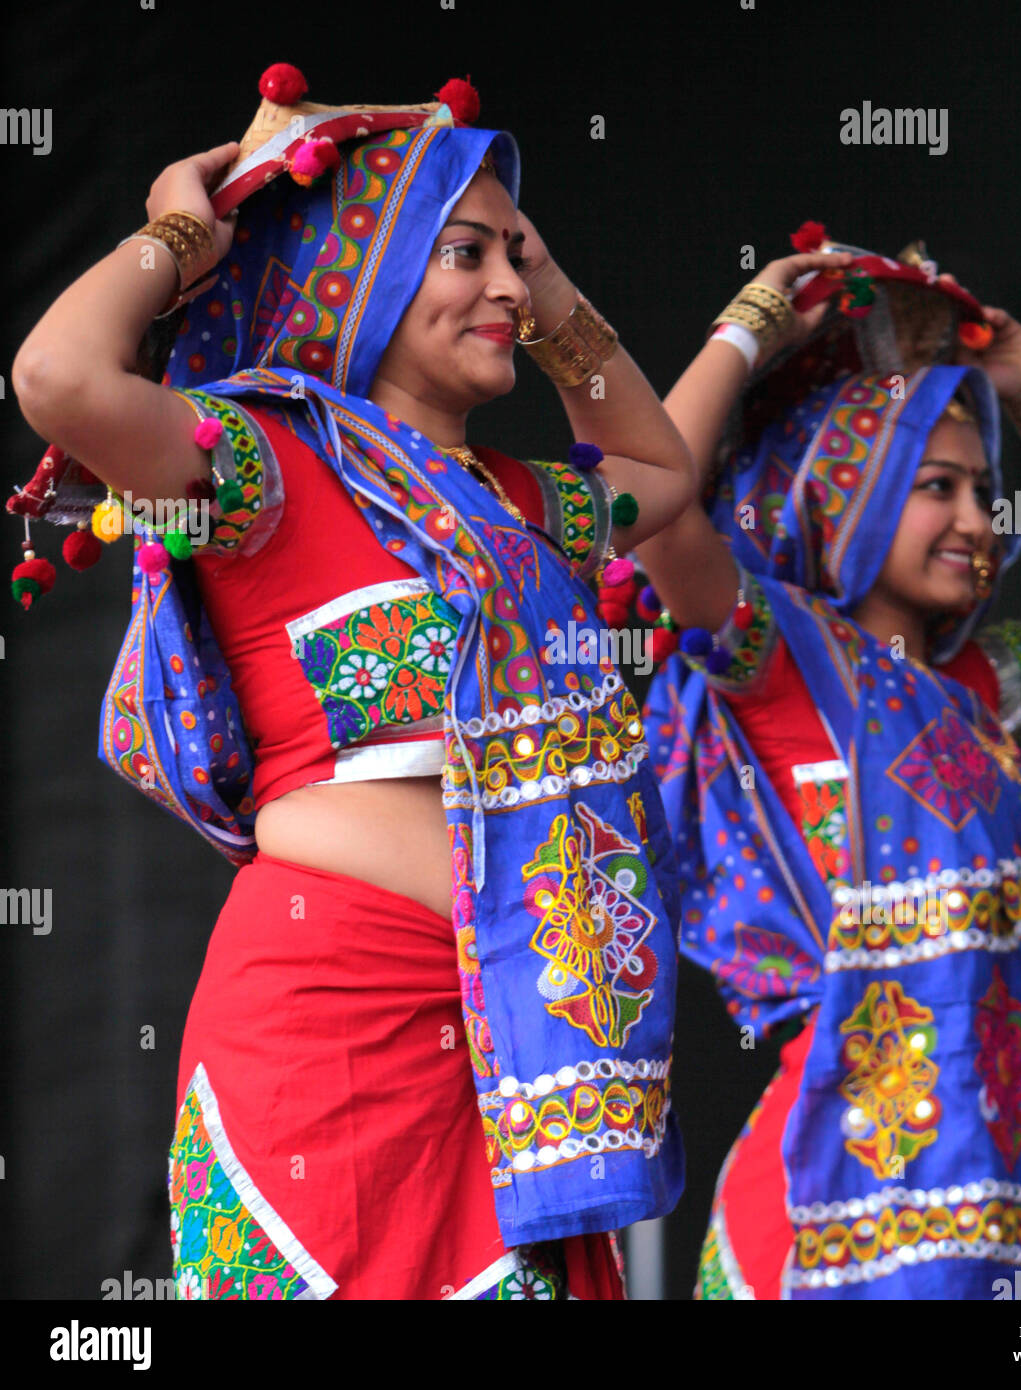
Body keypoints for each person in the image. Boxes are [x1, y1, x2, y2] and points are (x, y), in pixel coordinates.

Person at [10, 64, 692, 1300]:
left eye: (514, 256)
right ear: (370, 265)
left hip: (524, 1069)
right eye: (463, 254)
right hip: (328, 1040)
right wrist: (179, 230)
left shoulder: (527, 509)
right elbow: (59, 383)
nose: (502, 287)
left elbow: (662, 467)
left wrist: (549, 295)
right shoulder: (263, 470)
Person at [634, 230, 1021, 1298]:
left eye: (981, 490)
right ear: (848, 496)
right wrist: (749, 329)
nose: (977, 520)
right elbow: (651, 505)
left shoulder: (980, 689)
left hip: (1007, 1179)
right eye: (938, 486)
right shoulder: (777, 656)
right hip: (832, 1185)